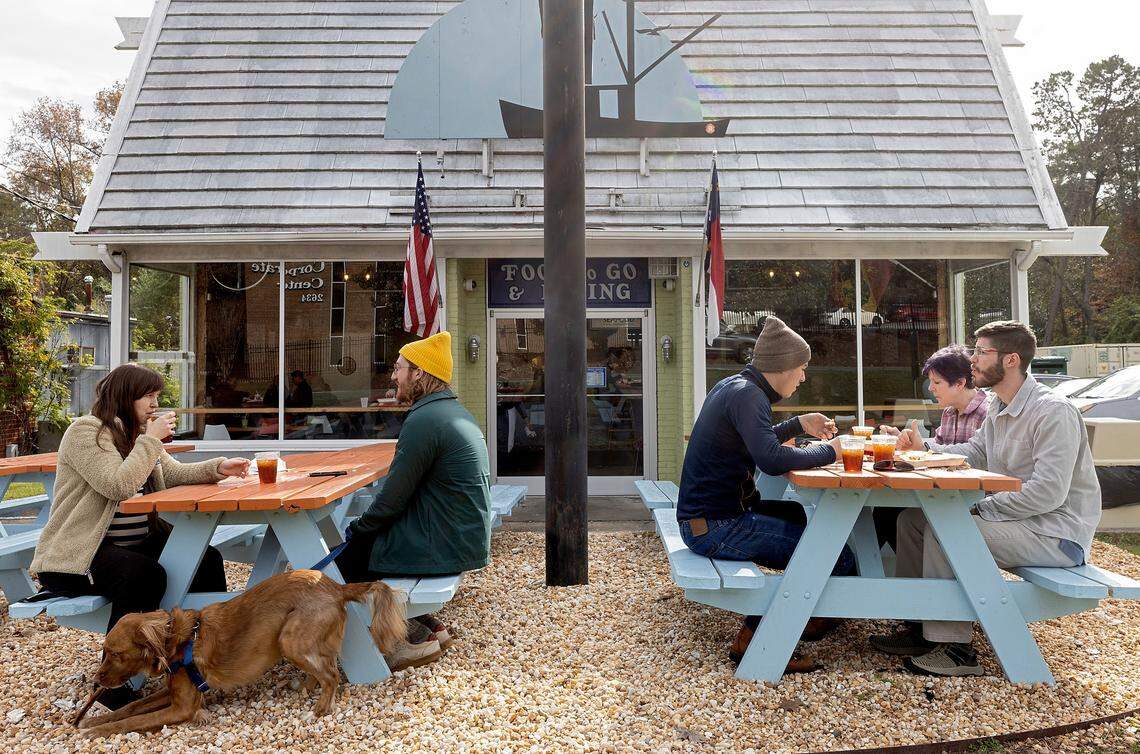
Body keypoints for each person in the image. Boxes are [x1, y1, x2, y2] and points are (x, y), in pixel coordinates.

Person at [870, 321, 1101, 677]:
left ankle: (957, 649)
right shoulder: (999, 406)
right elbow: (974, 453)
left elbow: (1048, 492)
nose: (973, 360)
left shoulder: (1052, 412)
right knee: (912, 521)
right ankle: (921, 626)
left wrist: (978, 508)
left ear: (1011, 360)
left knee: (947, 532)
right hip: (1019, 523)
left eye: (981, 352)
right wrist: (925, 448)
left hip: (1056, 534)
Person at [31, 363, 249, 707]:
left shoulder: (137, 434)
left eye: (156, 396)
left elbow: (173, 474)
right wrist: (149, 440)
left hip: (131, 545)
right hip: (81, 556)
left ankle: (206, 658)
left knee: (207, 559)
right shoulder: (86, 432)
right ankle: (113, 685)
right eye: (148, 395)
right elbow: (117, 485)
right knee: (143, 576)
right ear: (125, 396)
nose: (154, 403)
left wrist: (218, 467)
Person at [677, 316, 855, 673]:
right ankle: (773, 633)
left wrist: (798, 424)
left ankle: (800, 617)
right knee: (833, 552)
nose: (803, 376)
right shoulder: (748, 395)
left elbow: (757, 438)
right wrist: (835, 450)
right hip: (716, 526)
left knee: (811, 524)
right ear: (783, 365)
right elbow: (771, 459)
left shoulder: (737, 387)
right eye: (802, 368)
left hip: (710, 518)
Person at [335, 331, 492, 671]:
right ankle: (424, 628)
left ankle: (393, 644)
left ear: (419, 373)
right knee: (360, 546)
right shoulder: (451, 412)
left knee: (342, 565)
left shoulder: (424, 421)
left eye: (399, 368)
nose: (393, 377)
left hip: (443, 543)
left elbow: (391, 501)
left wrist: (357, 529)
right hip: (459, 536)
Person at [874, 345, 988, 550]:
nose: (930, 388)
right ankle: (908, 577)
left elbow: (976, 457)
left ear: (961, 383)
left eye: (937, 382)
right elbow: (937, 447)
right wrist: (907, 443)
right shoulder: (950, 412)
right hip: (944, 492)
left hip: (973, 499)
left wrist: (924, 448)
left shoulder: (986, 413)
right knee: (886, 510)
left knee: (891, 513)